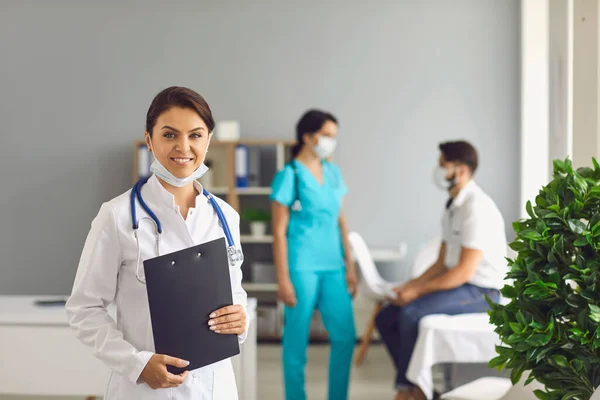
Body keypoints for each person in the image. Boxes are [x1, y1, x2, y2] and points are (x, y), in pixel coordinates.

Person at [65, 86, 248, 400]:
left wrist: (240, 317)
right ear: (149, 140)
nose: (183, 147)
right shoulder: (116, 216)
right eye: (169, 134)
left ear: (208, 140)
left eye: (195, 135)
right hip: (144, 390)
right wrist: (136, 364)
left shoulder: (225, 217)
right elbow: (84, 309)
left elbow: (235, 294)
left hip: (214, 387)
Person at [375, 141, 507, 400]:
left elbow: (464, 272)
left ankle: (406, 391)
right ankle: (419, 389)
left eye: (442, 165)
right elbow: (441, 263)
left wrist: (416, 294)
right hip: (463, 285)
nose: (438, 171)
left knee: (411, 313)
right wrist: (409, 286)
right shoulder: (453, 206)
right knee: (386, 317)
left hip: (484, 292)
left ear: (461, 170)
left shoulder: (476, 208)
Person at [270, 109, 357, 400]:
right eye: (327, 135)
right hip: (301, 266)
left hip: (334, 265)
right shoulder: (289, 175)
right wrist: (282, 279)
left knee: (345, 336)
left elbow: (342, 222)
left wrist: (350, 266)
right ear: (308, 137)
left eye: (334, 137)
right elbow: (279, 232)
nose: (331, 142)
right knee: (296, 341)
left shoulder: (333, 173)